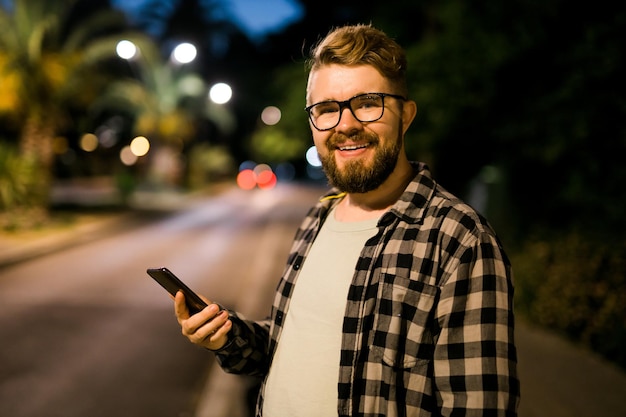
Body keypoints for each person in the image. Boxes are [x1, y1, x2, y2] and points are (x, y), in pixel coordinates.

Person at [175, 23, 520, 416]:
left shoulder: (459, 240)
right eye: (326, 109)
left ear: (405, 115)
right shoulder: (318, 217)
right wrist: (227, 337)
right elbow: (284, 346)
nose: (345, 124)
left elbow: (478, 407)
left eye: (368, 103)